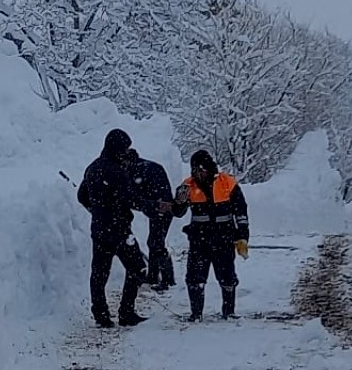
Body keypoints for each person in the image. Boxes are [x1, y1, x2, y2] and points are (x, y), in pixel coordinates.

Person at [163, 149, 250, 321]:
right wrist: (177, 203)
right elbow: (178, 212)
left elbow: (241, 211)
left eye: (200, 169)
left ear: (209, 168)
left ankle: (229, 312)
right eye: (194, 170)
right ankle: (196, 314)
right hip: (199, 240)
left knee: (227, 277)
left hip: (223, 238)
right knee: (194, 278)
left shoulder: (227, 183)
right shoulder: (187, 186)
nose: (197, 174)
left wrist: (242, 236)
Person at [77, 129, 148, 328]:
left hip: (99, 228)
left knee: (99, 272)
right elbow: (129, 199)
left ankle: (101, 314)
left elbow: (81, 195)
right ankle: (126, 313)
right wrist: (151, 207)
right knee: (136, 267)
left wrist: (97, 210)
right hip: (119, 229)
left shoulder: (93, 168)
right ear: (117, 148)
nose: (126, 152)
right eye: (125, 148)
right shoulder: (117, 171)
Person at [123, 148, 177, 291]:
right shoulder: (146, 167)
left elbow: (134, 195)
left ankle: (165, 279)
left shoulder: (139, 171)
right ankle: (155, 277)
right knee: (155, 242)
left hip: (162, 208)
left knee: (155, 242)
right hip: (160, 207)